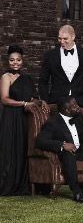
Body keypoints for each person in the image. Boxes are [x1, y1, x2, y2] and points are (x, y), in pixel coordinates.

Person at [0, 45, 48, 196]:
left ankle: (23, 184)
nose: (15, 63)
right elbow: (5, 99)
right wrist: (24, 104)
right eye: (12, 60)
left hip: (23, 118)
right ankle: (7, 184)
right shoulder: (5, 77)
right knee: (9, 150)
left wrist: (41, 101)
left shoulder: (27, 78)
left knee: (22, 149)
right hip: (9, 117)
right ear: (8, 61)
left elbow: (32, 98)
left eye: (18, 60)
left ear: (23, 61)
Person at [38, 25, 83, 107]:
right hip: (57, 102)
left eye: (65, 38)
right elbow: (43, 80)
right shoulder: (50, 55)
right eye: (60, 38)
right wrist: (44, 99)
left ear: (73, 37)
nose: (62, 41)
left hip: (81, 101)